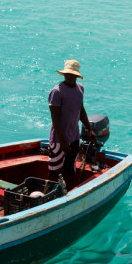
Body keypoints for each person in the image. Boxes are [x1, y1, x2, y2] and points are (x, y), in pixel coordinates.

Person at [48, 60, 92, 192]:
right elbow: (54, 118)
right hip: (58, 139)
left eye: (72, 75)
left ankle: (68, 192)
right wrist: (62, 141)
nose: (69, 77)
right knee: (54, 170)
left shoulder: (80, 88)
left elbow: (81, 110)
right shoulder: (57, 91)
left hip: (74, 136)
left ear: (77, 76)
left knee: (70, 168)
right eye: (67, 74)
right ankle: (49, 196)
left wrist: (89, 129)